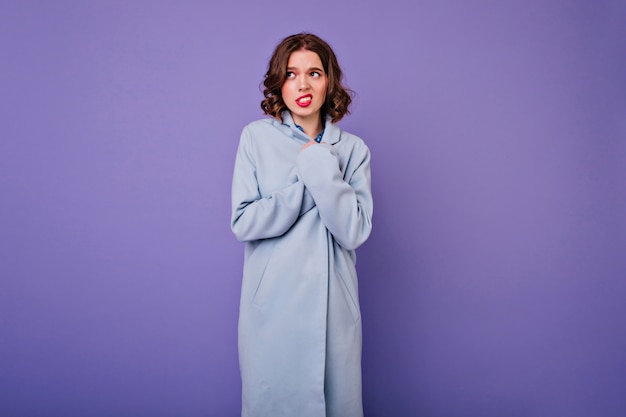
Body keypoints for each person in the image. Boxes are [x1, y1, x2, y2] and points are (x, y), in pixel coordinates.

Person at [230, 33, 373, 417]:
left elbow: (354, 231)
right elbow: (244, 221)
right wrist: (306, 180)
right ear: (279, 82)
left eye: (314, 73)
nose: (303, 85)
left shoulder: (353, 150)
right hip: (273, 309)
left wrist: (321, 166)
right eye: (291, 74)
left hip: (334, 313)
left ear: (330, 81)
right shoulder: (256, 138)